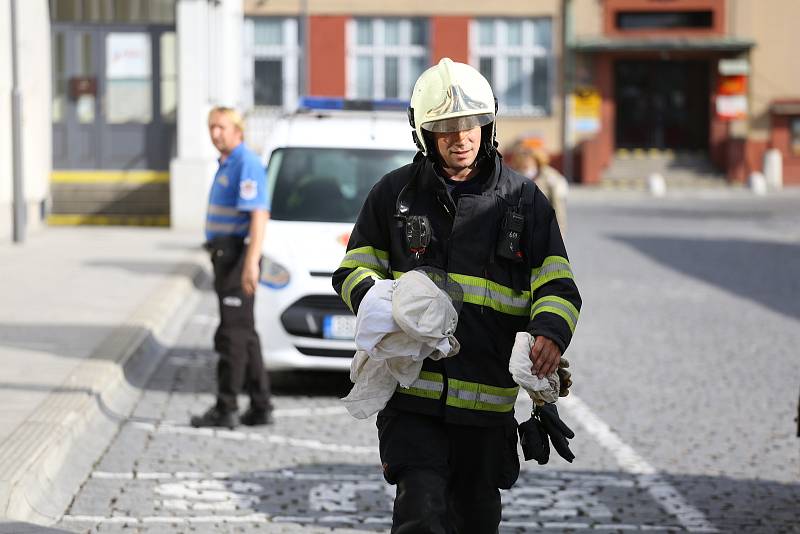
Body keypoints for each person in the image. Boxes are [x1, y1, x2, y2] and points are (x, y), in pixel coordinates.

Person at [332, 58, 582, 533]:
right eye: (445, 127)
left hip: (488, 411)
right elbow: (353, 269)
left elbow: (557, 283)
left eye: (470, 124)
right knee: (420, 516)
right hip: (413, 402)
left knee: (474, 523)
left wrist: (550, 332)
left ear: (488, 125)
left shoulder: (523, 201)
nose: (460, 136)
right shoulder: (395, 195)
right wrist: (385, 303)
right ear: (424, 134)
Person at [190, 106, 273, 429]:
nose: (215, 134)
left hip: (238, 255)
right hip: (226, 255)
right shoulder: (226, 163)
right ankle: (261, 404)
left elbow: (258, 215)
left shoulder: (245, 163)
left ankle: (226, 408)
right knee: (246, 334)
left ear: (238, 130)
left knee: (232, 336)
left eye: (221, 127)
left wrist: (250, 263)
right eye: (211, 127)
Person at [509, 141, 569, 233]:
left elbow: (558, 209)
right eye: (522, 155)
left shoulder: (550, 177)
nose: (525, 160)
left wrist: (558, 233)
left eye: (528, 156)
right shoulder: (512, 176)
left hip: (541, 228)